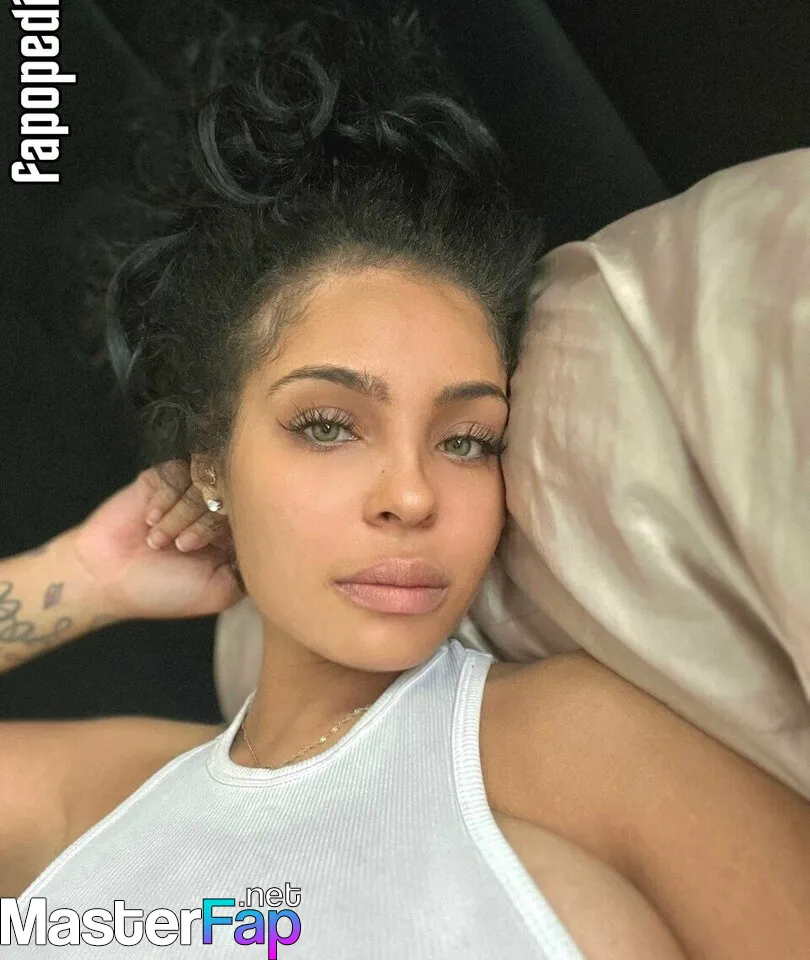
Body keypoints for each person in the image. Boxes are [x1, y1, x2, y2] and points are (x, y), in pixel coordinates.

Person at [2, 2, 808, 957]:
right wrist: (86, 575)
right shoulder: (104, 798)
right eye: (328, 425)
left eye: (465, 440)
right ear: (212, 462)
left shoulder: (576, 745)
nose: (414, 495)